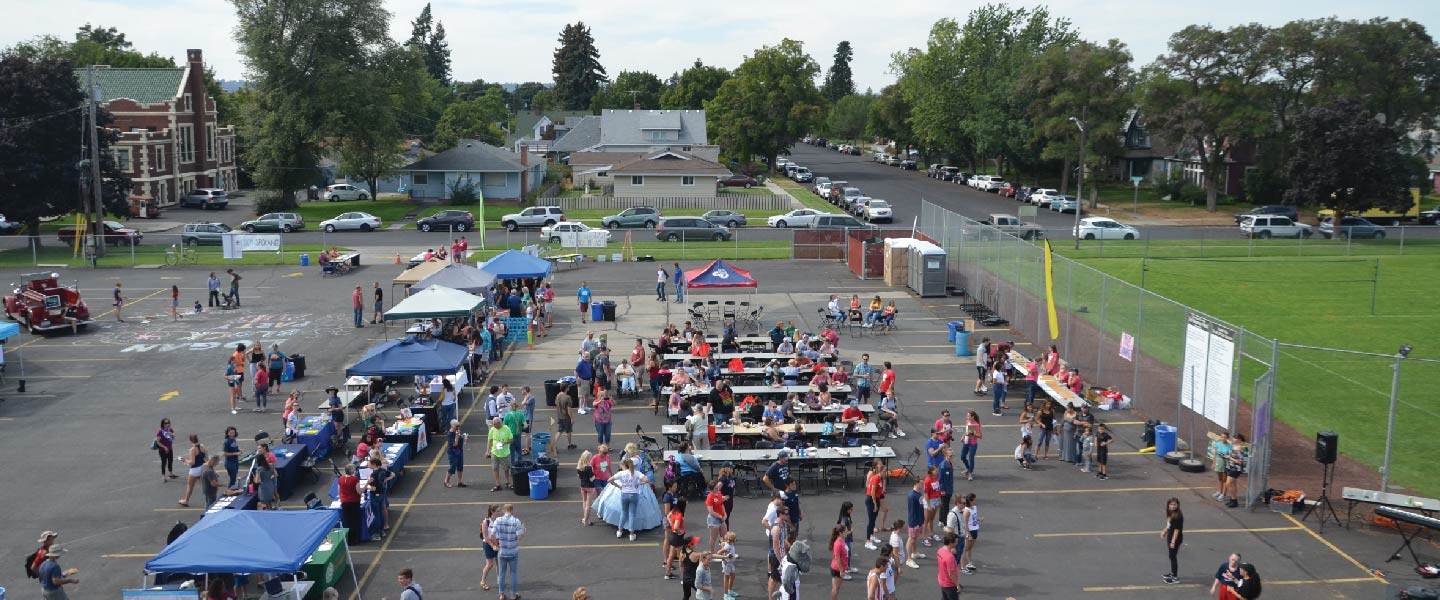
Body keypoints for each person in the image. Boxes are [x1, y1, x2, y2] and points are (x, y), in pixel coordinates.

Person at [489, 503, 525, 600]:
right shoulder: (516, 521)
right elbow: (519, 538)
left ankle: (501, 594)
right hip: (513, 552)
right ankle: (513, 594)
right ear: (512, 510)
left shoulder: (498, 520)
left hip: (502, 551)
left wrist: (497, 546)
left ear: (504, 511)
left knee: (501, 574)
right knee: (513, 573)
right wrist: (523, 530)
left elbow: (492, 535)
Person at [863, 459, 887, 549]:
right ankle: (867, 541)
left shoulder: (879, 478)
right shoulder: (876, 478)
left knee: (874, 519)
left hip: (876, 499)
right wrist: (875, 504)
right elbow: (872, 492)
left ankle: (872, 536)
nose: (886, 473)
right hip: (871, 500)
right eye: (884, 471)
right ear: (880, 471)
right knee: (871, 521)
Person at [177, 434, 207, 506]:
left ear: (190, 441)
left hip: (195, 470)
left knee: (190, 486)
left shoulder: (192, 450)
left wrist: (184, 460)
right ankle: (208, 500)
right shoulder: (203, 447)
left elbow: (192, 462)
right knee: (205, 485)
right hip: (202, 468)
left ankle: (186, 500)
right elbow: (207, 459)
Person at [487, 417, 514, 492]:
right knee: (495, 468)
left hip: (504, 453)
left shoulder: (506, 429)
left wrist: (504, 443)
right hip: (494, 452)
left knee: (506, 469)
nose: (493, 426)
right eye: (493, 424)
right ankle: (497, 484)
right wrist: (487, 451)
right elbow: (489, 440)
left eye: (495, 424)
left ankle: (508, 482)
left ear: (499, 423)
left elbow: (511, 440)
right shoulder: (492, 429)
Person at [338, 463, 363, 543]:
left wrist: (342, 498)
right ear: (352, 471)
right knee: (354, 520)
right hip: (354, 502)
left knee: (347, 520)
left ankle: (348, 539)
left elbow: (339, 491)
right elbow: (359, 491)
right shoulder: (355, 479)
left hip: (344, 502)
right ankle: (355, 539)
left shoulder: (340, 479)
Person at [1163, 497, 1185, 584]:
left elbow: (1176, 530)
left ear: (1178, 505)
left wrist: (1173, 541)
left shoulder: (1178, 516)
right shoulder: (1170, 513)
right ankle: (1172, 573)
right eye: (1171, 504)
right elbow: (1169, 525)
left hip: (1175, 538)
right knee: (1171, 556)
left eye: (1174, 504)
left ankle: (1174, 577)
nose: (1172, 506)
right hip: (1170, 536)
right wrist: (1164, 531)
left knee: (1173, 557)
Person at [905, 480, 926, 568]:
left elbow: (921, 507)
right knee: (911, 538)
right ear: (916, 483)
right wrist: (915, 523)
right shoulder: (912, 496)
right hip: (914, 521)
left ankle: (914, 553)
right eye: (921, 483)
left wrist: (922, 520)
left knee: (915, 537)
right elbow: (912, 511)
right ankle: (909, 559)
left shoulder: (919, 494)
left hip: (919, 520)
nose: (922, 484)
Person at [959, 494, 980, 574]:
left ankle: (969, 563)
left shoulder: (974, 508)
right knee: (965, 549)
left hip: (975, 530)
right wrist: (969, 535)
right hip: (970, 532)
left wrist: (978, 520)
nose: (976, 500)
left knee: (970, 548)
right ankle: (963, 567)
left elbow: (974, 518)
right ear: (971, 501)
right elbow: (965, 524)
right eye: (974, 499)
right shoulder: (967, 511)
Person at [937, 532, 962, 600]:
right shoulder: (949, 557)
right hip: (950, 584)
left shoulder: (940, 550)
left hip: (942, 580)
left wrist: (950, 552)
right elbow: (951, 574)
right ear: (951, 543)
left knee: (945, 598)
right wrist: (957, 584)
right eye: (956, 542)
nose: (957, 543)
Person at [1211, 431, 1234, 501]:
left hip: (1226, 462)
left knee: (1225, 479)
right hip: (1219, 462)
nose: (1223, 438)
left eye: (1225, 437)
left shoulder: (1230, 446)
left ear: (1227, 438)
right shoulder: (1217, 444)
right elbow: (1215, 454)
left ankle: (1223, 494)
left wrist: (1227, 456)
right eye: (1222, 437)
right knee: (1220, 478)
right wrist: (1214, 463)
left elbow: (1231, 455)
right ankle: (1219, 491)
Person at [830, 524, 851, 600]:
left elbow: (844, 555)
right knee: (835, 588)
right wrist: (841, 570)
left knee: (837, 588)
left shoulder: (842, 540)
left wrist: (846, 566)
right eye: (845, 531)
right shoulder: (838, 544)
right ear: (840, 533)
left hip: (841, 568)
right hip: (837, 569)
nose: (847, 532)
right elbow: (837, 558)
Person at [960, 411, 981, 481]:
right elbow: (966, 431)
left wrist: (974, 434)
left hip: (973, 444)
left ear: (972, 417)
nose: (967, 417)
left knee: (971, 458)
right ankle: (968, 468)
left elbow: (980, 436)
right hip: (966, 442)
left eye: (968, 416)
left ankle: (970, 473)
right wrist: (963, 436)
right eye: (967, 416)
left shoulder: (976, 424)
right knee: (962, 456)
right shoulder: (967, 422)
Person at [445, 419, 467, 488]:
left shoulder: (457, 432)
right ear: (452, 426)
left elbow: (461, 442)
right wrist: (457, 436)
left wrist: (464, 437)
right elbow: (454, 444)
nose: (458, 428)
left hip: (459, 451)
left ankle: (459, 481)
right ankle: (446, 481)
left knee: (460, 466)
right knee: (452, 467)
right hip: (453, 452)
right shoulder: (450, 434)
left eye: (458, 426)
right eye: (456, 426)